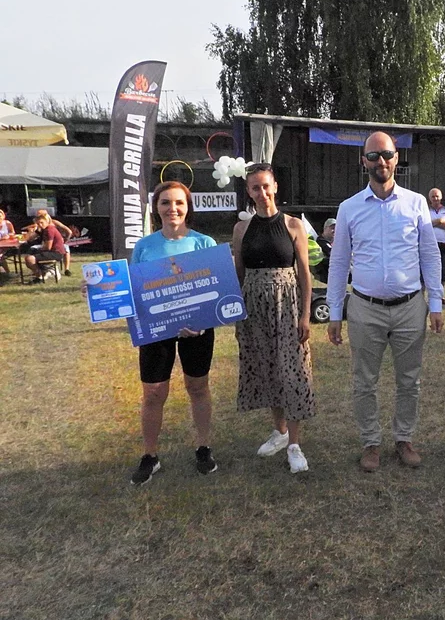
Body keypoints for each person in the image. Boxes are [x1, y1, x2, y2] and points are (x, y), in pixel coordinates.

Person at [326, 131, 444, 472]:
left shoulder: (416, 203)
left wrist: (436, 303)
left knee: (410, 380)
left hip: (410, 307)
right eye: (374, 155)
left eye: (387, 154)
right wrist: (334, 312)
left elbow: (429, 255)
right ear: (363, 160)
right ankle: (371, 442)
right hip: (365, 308)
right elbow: (339, 262)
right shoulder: (349, 208)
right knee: (364, 381)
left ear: (396, 158)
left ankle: (404, 439)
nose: (381, 161)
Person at [127, 181, 218, 484]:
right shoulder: (144, 246)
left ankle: (203, 447)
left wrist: (203, 320)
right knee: (153, 392)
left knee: (198, 387)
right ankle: (150, 455)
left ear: (188, 207)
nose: (172, 209)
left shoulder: (204, 243)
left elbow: (216, 289)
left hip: (197, 329)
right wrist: (99, 289)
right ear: (156, 207)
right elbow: (133, 291)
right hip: (157, 330)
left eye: (179, 202)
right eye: (165, 202)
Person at [233, 163, 315, 473]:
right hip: (254, 308)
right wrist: (236, 314)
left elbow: (304, 273)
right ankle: (279, 432)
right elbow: (238, 274)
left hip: (287, 306)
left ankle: (294, 443)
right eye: (255, 187)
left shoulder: (293, 225)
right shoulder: (241, 229)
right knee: (268, 369)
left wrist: (305, 315)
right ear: (249, 191)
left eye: (266, 186)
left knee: (292, 371)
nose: (262, 192)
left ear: (275, 187)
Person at [23, 214, 66, 283]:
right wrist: (34, 231)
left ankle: (40, 276)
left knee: (29, 259)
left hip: (56, 253)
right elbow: (30, 239)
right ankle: (45, 271)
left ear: (47, 221)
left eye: (41, 222)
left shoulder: (49, 230)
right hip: (53, 251)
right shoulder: (45, 229)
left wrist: (40, 249)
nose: (40, 225)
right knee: (32, 251)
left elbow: (48, 247)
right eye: (38, 223)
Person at [427, 189, 445, 303]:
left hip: (443, 244)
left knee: (443, 270)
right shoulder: (426, 209)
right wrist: (439, 221)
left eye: (437, 196)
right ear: (429, 198)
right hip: (429, 244)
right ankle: (427, 295)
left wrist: (433, 223)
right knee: (428, 270)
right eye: (433, 196)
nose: (435, 198)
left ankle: (440, 296)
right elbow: (425, 225)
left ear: (441, 197)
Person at [312, 217, 336, 283]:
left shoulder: (335, 242)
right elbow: (332, 254)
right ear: (325, 228)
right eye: (332, 228)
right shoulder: (321, 242)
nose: (335, 230)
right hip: (326, 273)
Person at [0, 208, 15, 275]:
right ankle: (5, 272)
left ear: (3, 216)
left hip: (7, 245)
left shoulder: (7, 223)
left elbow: (13, 233)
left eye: (0, 216)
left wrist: (8, 236)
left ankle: (6, 272)